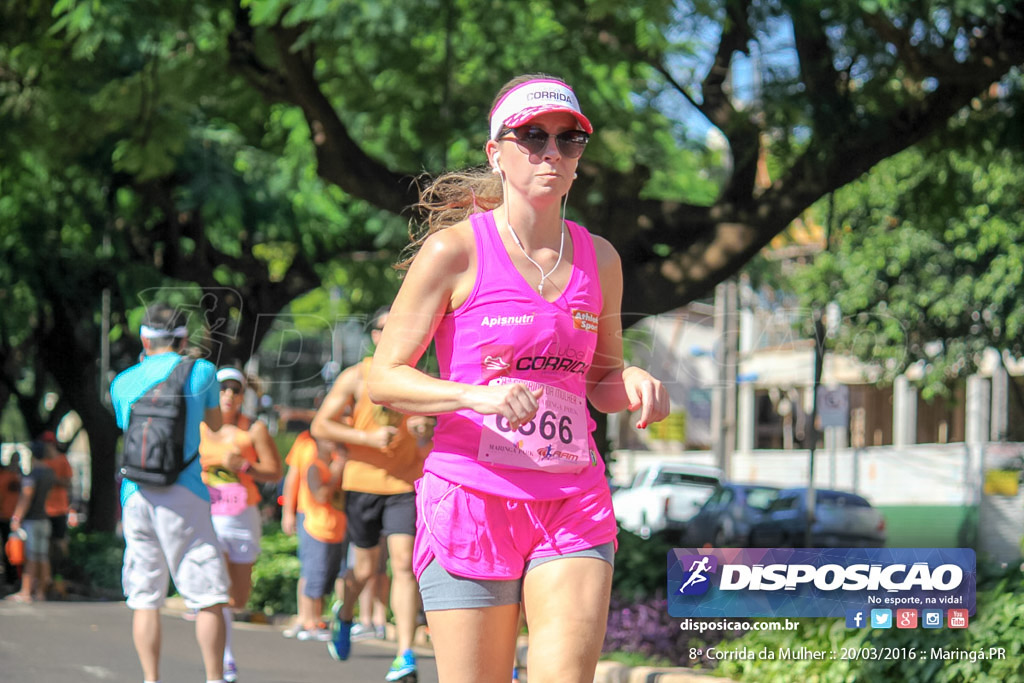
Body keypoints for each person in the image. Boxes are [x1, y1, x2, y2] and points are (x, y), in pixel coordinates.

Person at [367, 74, 670, 683]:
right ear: (495, 152)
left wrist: (632, 377)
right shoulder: (454, 253)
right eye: (532, 137)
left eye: (568, 140)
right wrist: (477, 396)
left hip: (571, 497)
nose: (552, 153)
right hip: (471, 498)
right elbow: (385, 379)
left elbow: (601, 379)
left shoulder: (599, 258)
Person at [110, 303, 232, 683]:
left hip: (135, 494)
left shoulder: (122, 381)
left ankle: (151, 679)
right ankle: (214, 678)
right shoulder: (201, 372)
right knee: (207, 593)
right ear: (182, 338)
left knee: (145, 596)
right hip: (185, 492)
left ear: (144, 339)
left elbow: (125, 427)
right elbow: (215, 423)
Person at [311, 306, 433, 682]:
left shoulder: (421, 379)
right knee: (364, 569)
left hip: (403, 486)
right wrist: (366, 437)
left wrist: (425, 432)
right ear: (375, 335)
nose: (396, 333)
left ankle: (404, 654)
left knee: (403, 565)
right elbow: (321, 425)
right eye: (386, 327)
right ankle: (345, 614)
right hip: (362, 483)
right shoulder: (356, 376)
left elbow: (436, 438)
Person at [200, 367, 283, 682]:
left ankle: (224, 652)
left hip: (242, 517)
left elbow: (275, 472)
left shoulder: (255, 430)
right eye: (223, 389)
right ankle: (225, 661)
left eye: (235, 390)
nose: (228, 396)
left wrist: (246, 466)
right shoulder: (200, 428)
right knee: (218, 590)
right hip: (209, 518)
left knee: (238, 598)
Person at [280, 430, 349, 640]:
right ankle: (308, 621)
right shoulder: (313, 463)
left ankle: (314, 619)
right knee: (313, 572)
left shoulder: (335, 461)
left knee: (325, 574)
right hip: (314, 525)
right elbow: (319, 494)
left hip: (334, 528)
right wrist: (288, 513)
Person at [6, 441, 56, 603]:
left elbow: (26, 497)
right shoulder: (50, 473)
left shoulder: (32, 475)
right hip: (44, 519)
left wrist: (16, 517)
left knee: (31, 556)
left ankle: (26, 592)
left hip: (32, 521)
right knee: (42, 556)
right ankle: (40, 592)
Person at [40, 430, 73, 591]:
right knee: (45, 545)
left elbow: (68, 483)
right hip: (44, 509)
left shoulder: (62, 460)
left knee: (59, 543)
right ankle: (47, 577)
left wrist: (52, 479)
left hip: (59, 508)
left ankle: (63, 572)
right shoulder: (42, 462)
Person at [0, 450, 23, 589]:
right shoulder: (9, 476)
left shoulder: (15, 476)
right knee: (9, 549)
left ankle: (14, 578)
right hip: (6, 516)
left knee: (13, 550)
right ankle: (11, 578)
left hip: (11, 517)